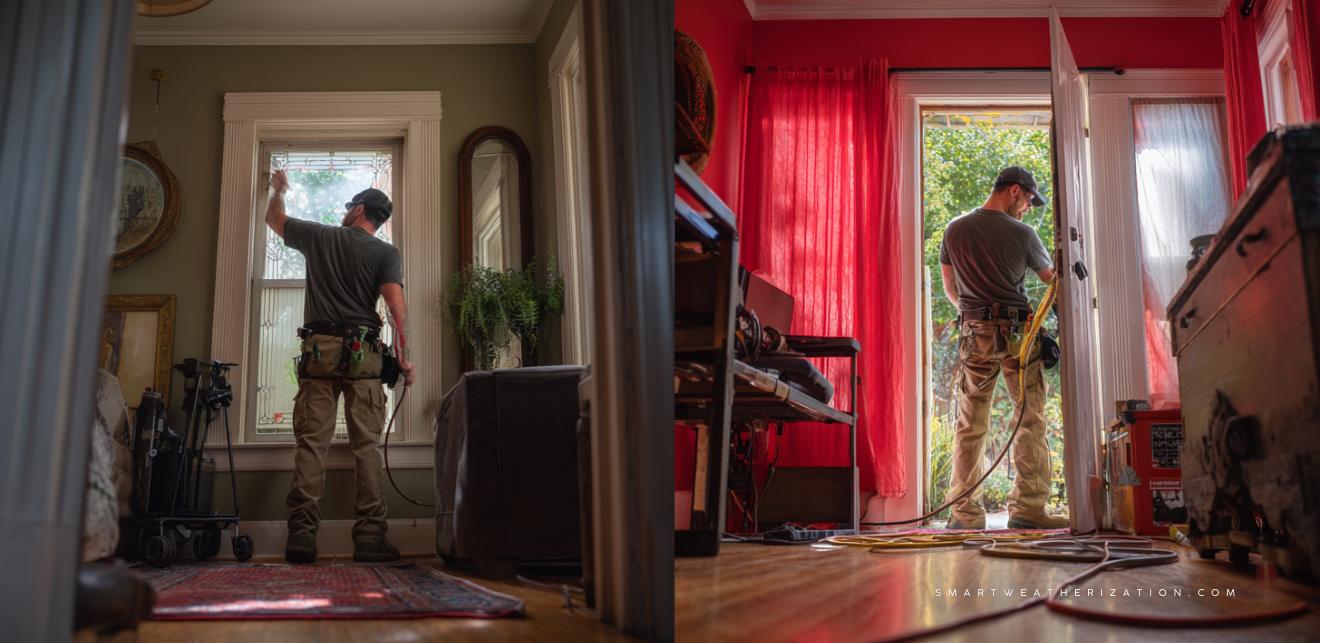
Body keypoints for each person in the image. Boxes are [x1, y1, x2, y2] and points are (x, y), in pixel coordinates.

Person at [264, 169, 417, 563]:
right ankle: (369, 539)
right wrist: (404, 356)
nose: (345, 211)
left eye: (349, 207)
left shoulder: (321, 236)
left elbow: (274, 219)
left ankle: (301, 536)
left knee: (312, 444)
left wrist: (278, 190)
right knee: (366, 447)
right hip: (364, 353)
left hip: (320, 351)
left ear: (358, 209)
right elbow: (396, 307)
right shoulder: (386, 253)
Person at [938, 166, 1066, 531]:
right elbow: (1052, 284)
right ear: (1013, 190)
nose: (1027, 207)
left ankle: (965, 515)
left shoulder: (955, 228)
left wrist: (973, 313)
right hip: (1018, 336)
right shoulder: (1023, 234)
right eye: (1027, 199)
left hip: (974, 333)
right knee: (1029, 419)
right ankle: (1028, 509)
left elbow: (951, 288)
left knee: (970, 424)